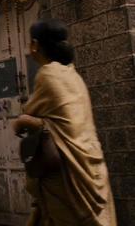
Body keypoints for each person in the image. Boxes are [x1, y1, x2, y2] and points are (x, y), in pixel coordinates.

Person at [12, 19, 117, 226]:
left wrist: (24, 120)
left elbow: (30, 113)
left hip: (68, 171)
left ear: (34, 45)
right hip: (90, 164)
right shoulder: (72, 74)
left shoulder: (48, 74)